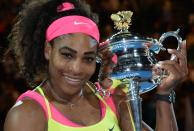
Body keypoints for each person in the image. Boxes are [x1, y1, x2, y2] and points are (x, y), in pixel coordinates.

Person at [3, 0, 188, 131]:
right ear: (48, 50)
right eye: (67, 55)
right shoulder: (27, 114)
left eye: (88, 58)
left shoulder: (113, 99)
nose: (76, 69)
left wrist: (164, 94)